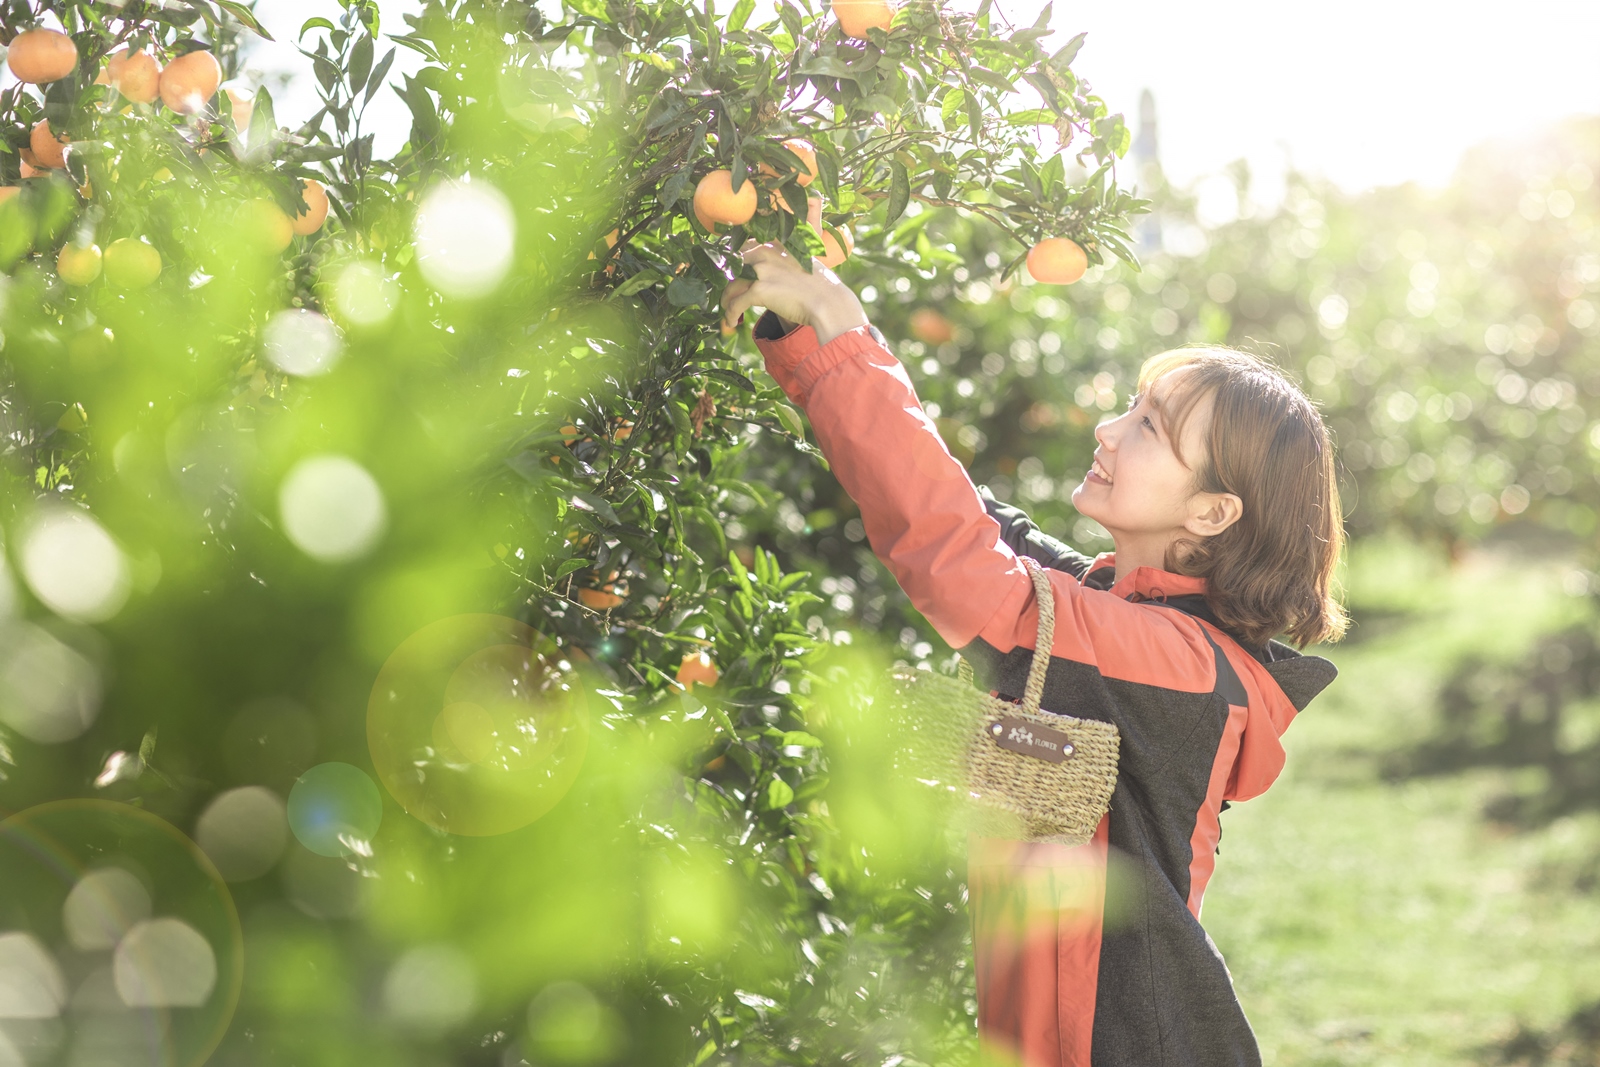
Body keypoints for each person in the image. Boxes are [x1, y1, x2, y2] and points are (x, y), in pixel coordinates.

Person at [723, 241, 1347, 1067]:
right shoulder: (1120, 613)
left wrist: (845, 331)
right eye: (1129, 407)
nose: (1108, 428)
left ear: (1212, 511)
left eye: (1149, 428)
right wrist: (810, 338)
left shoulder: (1177, 665)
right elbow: (973, 520)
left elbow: (969, 572)